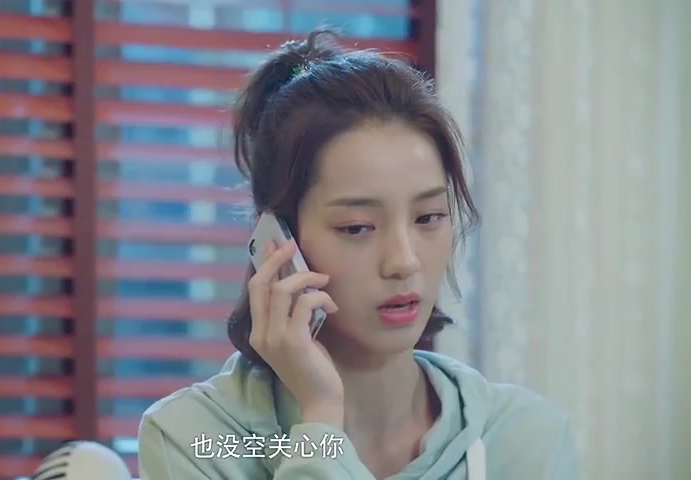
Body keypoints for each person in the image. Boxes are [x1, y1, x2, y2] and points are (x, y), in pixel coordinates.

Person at [137, 28, 578, 479]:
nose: (404, 261)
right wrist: (321, 415)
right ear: (277, 241)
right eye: (357, 228)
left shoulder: (523, 439)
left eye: (428, 218)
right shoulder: (194, 438)